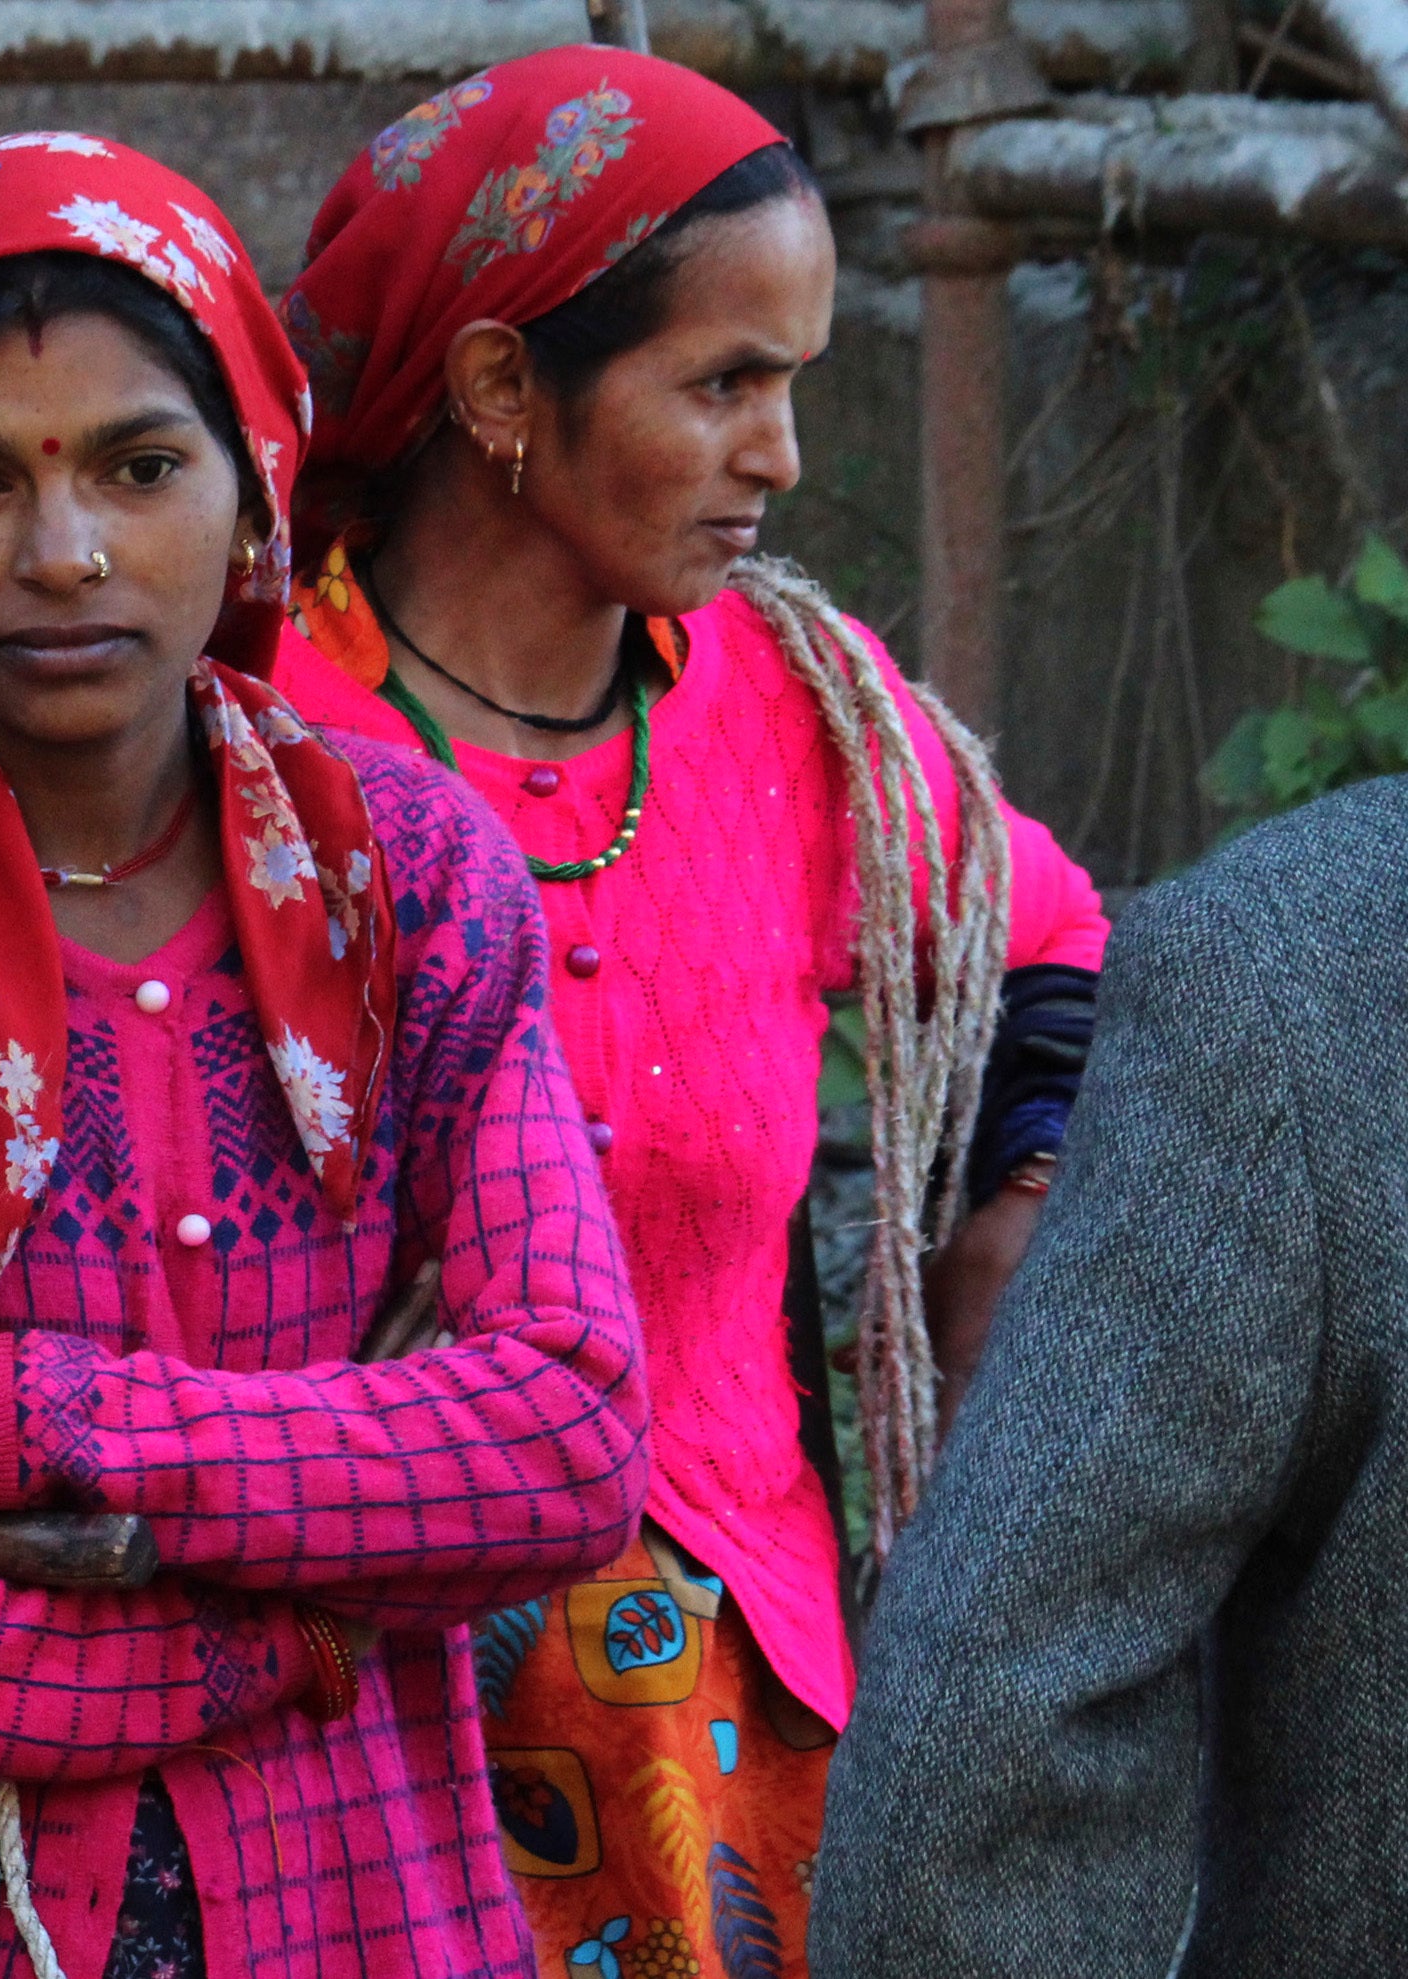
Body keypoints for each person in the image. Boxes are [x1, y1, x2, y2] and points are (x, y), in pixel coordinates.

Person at [0, 133, 648, 1979]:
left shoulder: (412, 876)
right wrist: (284, 1625)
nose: (61, 552)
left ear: (250, 496)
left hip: (360, 1899)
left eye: (141, 468)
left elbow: (562, 1434)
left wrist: (14, 1423)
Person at [265, 48, 1110, 1975]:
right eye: (722, 383)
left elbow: (1044, 940)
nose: (781, 456)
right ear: (497, 387)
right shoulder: (242, 740)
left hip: (743, 1737)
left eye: (788, 384)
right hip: (343, 1724)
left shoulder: (794, 712)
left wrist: (1014, 1207)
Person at [808, 775, 1408, 1973]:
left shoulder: (1300, 964)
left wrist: (1030, 1174)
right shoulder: (1305, 976)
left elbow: (986, 1731)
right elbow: (991, 1738)